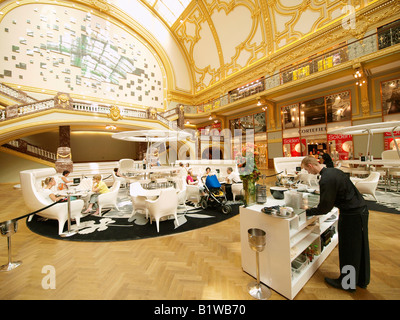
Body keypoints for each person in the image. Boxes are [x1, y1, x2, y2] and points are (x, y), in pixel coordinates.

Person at [301, 156, 370, 292]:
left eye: (306, 170)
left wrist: (306, 212)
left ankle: (347, 283)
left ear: (310, 165)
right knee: (359, 248)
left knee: (348, 250)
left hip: (352, 215)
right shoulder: (333, 171)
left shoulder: (326, 179)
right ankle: (360, 280)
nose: (308, 173)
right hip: (359, 211)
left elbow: (324, 208)